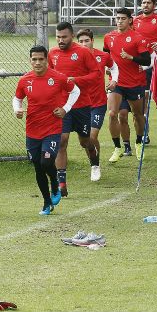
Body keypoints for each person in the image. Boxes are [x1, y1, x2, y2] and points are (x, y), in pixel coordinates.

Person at [13, 45, 80, 216]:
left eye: (41, 59)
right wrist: (17, 109)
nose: (37, 63)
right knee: (38, 167)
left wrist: (65, 108)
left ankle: (55, 184)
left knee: (46, 162)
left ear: (46, 60)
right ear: (30, 60)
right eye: (34, 59)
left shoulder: (58, 77)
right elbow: (17, 98)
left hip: (52, 128)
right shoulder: (25, 80)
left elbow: (75, 91)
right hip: (32, 130)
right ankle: (46, 202)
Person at [49, 22, 101, 194]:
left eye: (64, 37)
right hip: (62, 106)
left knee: (85, 141)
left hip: (81, 105)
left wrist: (76, 80)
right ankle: (61, 183)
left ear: (72, 36)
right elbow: (49, 75)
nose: (60, 40)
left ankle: (94, 163)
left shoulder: (83, 52)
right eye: (58, 37)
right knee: (62, 140)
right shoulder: (52, 53)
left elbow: (96, 74)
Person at [106, 8, 151, 162]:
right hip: (116, 83)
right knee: (115, 114)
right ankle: (119, 147)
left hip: (134, 83)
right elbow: (106, 56)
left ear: (130, 20)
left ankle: (138, 143)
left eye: (123, 18)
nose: (119, 21)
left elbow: (147, 60)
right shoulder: (108, 37)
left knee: (138, 115)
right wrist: (107, 68)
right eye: (117, 18)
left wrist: (131, 57)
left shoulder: (138, 38)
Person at [76, 29, 119, 182]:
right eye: (80, 41)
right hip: (80, 105)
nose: (83, 44)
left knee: (92, 137)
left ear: (93, 41)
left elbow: (114, 67)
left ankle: (95, 166)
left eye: (86, 40)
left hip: (98, 103)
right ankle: (93, 161)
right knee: (84, 141)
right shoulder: (74, 58)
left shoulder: (103, 56)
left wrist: (114, 80)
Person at [133, 0, 157, 134]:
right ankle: (145, 129)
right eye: (143, 2)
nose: (145, 5)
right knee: (144, 96)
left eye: (148, 3)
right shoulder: (135, 21)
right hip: (142, 64)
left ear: (154, 5)